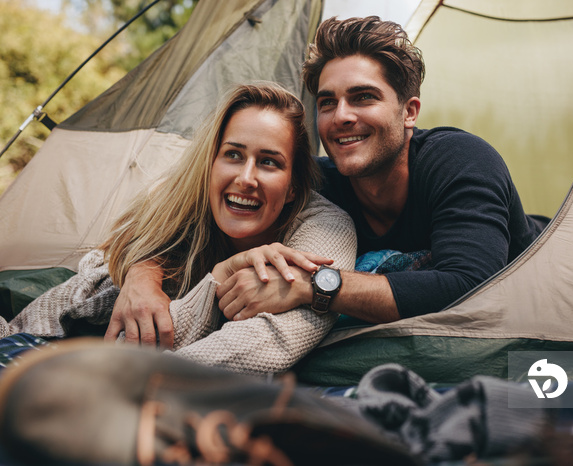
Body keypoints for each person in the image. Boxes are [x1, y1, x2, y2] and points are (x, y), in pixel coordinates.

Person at [111, 16, 546, 341]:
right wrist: (142, 279)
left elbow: (471, 284)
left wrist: (312, 286)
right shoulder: (316, 181)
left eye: (363, 97)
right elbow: (180, 217)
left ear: (409, 111)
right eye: (327, 102)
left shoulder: (460, 160)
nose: (341, 117)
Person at [0, 83, 357, 376]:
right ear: (212, 161)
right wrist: (142, 273)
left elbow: (269, 341)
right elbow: (118, 252)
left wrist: (216, 279)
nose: (245, 178)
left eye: (268, 162)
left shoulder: (324, 229)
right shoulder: (190, 196)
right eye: (233, 154)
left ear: (294, 185)